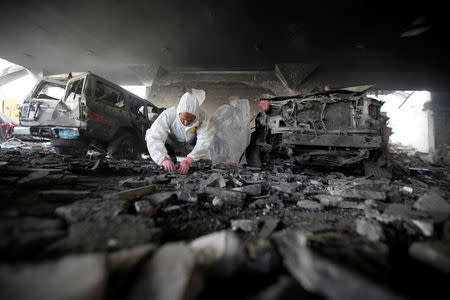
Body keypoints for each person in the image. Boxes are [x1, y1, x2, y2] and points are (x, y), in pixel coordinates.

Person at [146, 92, 215, 174]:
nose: (186, 123)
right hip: (171, 145)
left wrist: (190, 159)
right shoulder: (168, 114)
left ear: (196, 116)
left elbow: (205, 140)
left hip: (193, 145)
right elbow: (154, 136)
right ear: (178, 113)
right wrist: (162, 159)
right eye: (183, 119)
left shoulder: (202, 118)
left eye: (190, 120)